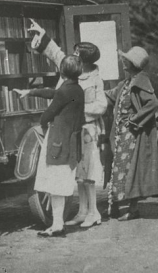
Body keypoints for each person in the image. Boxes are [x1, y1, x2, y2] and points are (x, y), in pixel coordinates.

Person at [18, 19, 107, 228]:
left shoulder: (95, 78)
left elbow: (101, 105)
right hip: (71, 130)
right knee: (77, 173)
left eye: (76, 54)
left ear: (83, 60)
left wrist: (76, 109)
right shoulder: (71, 69)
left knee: (89, 172)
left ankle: (93, 212)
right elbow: (55, 52)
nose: (72, 55)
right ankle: (82, 210)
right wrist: (42, 32)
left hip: (87, 129)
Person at [18, 55, 85, 237]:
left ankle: (57, 225)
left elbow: (47, 114)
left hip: (57, 142)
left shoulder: (64, 91)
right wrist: (30, 92)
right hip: (70, 141)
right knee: (60, 183)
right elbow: (53, 93)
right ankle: (58, 223)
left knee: (54, 184)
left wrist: (43, 124)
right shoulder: (78, 89)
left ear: (62, 71)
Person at [103, 46, 158, 221]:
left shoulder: (141, 82)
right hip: (121, 134)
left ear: (132, 64)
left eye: (125, 60)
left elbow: (153, 103)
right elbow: (111, 96)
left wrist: (135, 119)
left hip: (133, 135)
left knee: (130, 169)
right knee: (118, 167)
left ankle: (133, 209)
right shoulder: (126, 83)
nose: (123, 62)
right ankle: (116, 206)